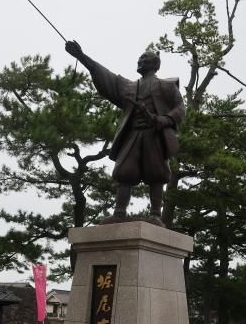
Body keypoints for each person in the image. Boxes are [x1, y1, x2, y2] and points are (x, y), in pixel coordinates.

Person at [65, 41, 185, 226]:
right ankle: (119, 213)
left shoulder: (167, 86)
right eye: (139, 58)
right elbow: (106, 76)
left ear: (155, 64)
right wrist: (81, 57)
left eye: (144, 59)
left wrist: (163, 119)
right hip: (133, 135)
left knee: (157, 173)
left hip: (154, 135)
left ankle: (155, 215)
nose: (140, 61)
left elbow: (180, 109)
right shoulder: (128, 87)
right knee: (124, 171)